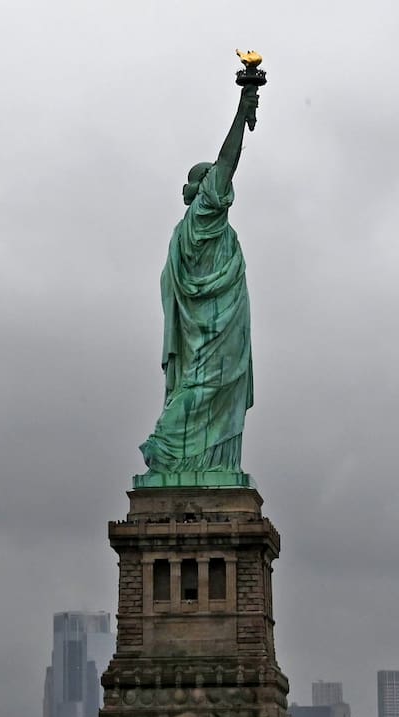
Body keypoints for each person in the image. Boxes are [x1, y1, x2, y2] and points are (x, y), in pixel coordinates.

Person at [139, 84, 261, 478]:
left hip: (213, 328)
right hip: (212, 332)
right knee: (205, 389)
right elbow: (229, 158)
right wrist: (243, 109)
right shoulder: (204, 216)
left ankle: (204, 465)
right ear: (207, 188)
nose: (224, 184)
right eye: (215, 179)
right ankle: (169, 449)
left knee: (211, 392)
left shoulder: (184, 232)